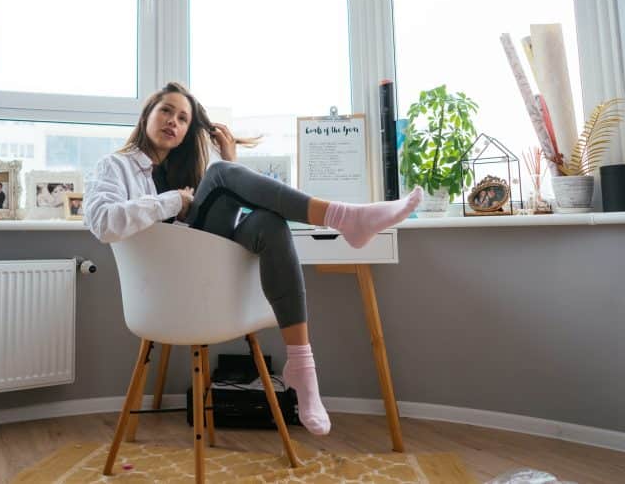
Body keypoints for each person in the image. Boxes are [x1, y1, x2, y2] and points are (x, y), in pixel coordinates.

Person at [84, 82, 423, 436]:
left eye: (183, 118)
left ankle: (302, 366)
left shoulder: (187, 174)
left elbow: (224, 221)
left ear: (187, 131)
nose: (174, 121)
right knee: (221, 177)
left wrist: (228, 162)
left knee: (269, 224)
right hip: (165, 292)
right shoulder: (115, 166)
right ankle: (344, 217)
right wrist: (174, 200)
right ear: (146, 116)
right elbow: (103, 223)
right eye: (166, 111)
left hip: (206, 283)